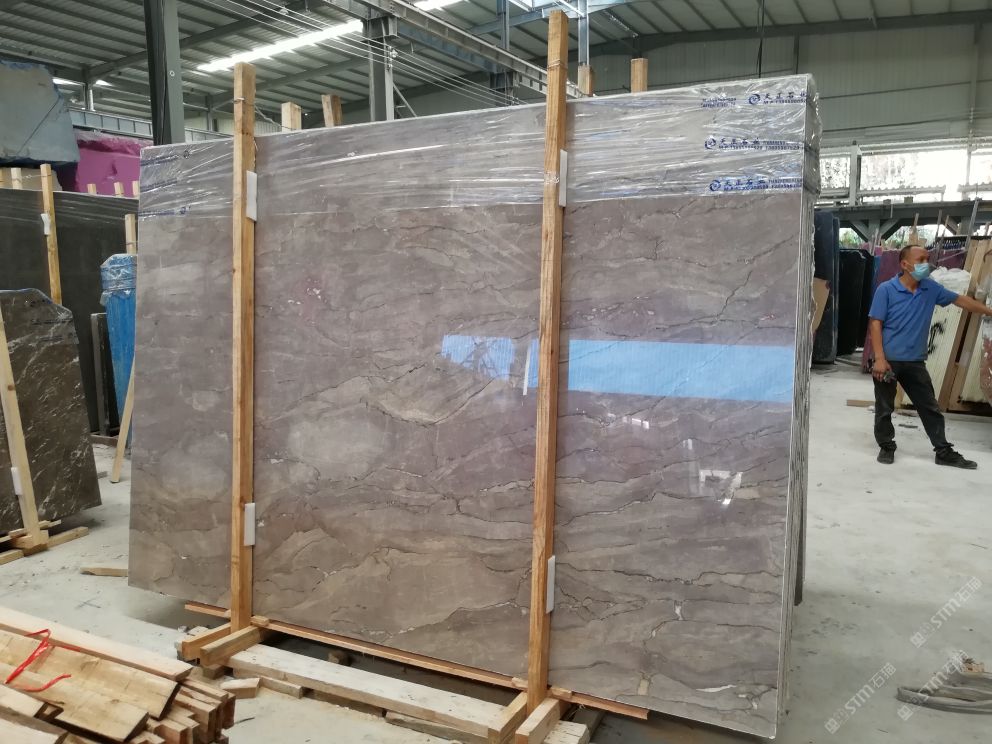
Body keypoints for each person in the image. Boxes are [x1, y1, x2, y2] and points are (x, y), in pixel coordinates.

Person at [868, 244, 992, 468]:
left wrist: (989, 311)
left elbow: (960, 300)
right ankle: (886, 446)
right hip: (888, 361)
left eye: (927, 259)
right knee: (885, 407)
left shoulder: (930, 288)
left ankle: (943, 451)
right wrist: (879, 358)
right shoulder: (886, 290)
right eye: (921, 260)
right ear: (905, 264)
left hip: (915, 362)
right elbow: (875, 324)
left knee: (929, 407)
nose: (927, 264)